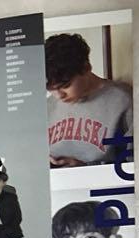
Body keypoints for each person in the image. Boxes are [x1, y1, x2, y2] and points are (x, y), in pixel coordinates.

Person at [45, 31, 133, 167]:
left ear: (86, 68)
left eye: (65, 86)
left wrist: (83, 168)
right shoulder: (48, 106)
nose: (59, 95)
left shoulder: (122, 100)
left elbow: (135, 165)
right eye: (50, 89)